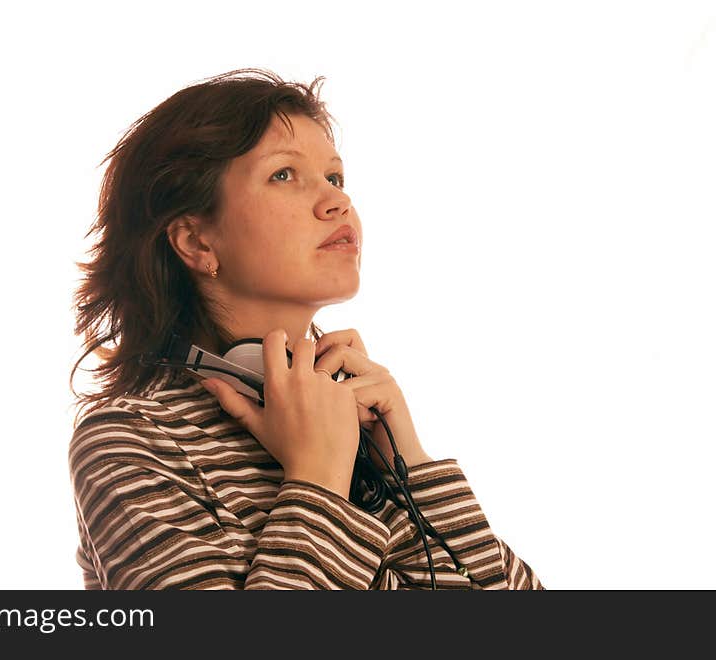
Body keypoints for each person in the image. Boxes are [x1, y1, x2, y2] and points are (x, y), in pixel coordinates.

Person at [68, 68, 544, 590]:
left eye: (335, 178)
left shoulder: (360, 420)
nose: (336, 202)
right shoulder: (130, 441)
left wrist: (410, 463)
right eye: (284, 175)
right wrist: (318, 476)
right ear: (196, 243)